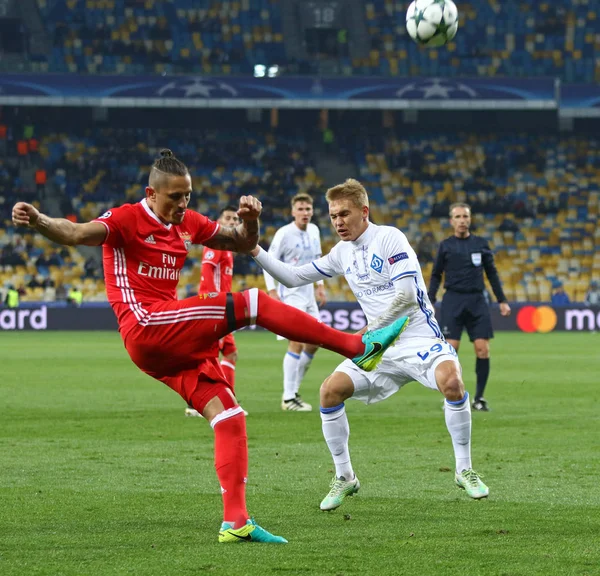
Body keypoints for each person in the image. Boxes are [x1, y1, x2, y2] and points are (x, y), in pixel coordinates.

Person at [11, 151, 407, 544]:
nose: (183, 204)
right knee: (254, 302)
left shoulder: (187, 223)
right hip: (145, 325)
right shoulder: (125, 219)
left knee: (230, 416)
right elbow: (75, 233)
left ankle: (235, 522)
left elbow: (242, 243)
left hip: (172, 346)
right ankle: (357, 347)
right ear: (151, 193)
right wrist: (39, 219)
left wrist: (251, 222)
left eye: (187, 196)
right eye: (174, 197)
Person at [251, 178, 488, 512]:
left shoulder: (389, 237)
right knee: (329, 391)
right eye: (333, 216)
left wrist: (368, 331)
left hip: (417, 337)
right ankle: (345, 476)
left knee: (452, 382)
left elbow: (406, 298)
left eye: (344, 214)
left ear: (364, 211)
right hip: (379, 347)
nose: (338, 222)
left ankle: (465, 470)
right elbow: (292, 276)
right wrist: (253, 250)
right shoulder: (341, 252)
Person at [428, 203, 511, 413]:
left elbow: (492, 273)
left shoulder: (481, 244)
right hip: (453, 300)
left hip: (477, 301)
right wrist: (430, 300)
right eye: (458, 216)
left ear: (470, 219)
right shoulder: (445, 246)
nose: (462, 220)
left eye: (465, 216)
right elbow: (436, 274)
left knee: (483, 349)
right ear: (452, 221)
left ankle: (479, 398)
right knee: (450, 350)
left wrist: (502, 300)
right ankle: (452, 395)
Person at [263, 193, 326, 412]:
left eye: (308, 209)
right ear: (293, 212)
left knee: (315, 342)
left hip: (308, 294)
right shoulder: (284, 234)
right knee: (296, 341)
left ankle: (294, 392)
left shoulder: (315, 231)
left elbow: (317, 261)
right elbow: (267, 262)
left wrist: (320, 286)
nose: (305, 213)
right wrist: (272, 290)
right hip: (289, 294)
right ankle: (289, 398)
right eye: (300, 209)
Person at [185, 206, 247, 418]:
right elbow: (208, 271)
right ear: (219, 221)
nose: (231, 221)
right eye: (227, 218)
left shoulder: (227, 247)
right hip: (214, 307)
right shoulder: (217, 243)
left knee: (230, 352)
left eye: (234, 219)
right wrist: (214, 303)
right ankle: (198, 403)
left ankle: (228, 400)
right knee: (208, 356)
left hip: (222, 305)